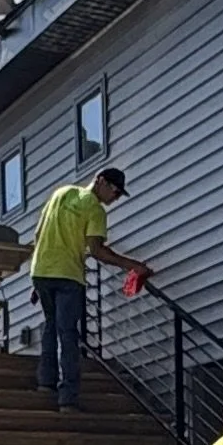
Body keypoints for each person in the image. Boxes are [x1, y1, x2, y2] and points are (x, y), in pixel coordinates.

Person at [27, 167, 148, 412]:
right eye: (114, 191)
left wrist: (36, 278)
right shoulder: (94, 209)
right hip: (68, 275)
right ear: (100, 181)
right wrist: (132, 265)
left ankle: (45, 383)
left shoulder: (61, 192)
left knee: (51, 325)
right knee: (68, 333)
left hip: (41, 271)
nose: (114, 198)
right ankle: (68, 398)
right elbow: (97, 250)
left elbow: (38, 233)